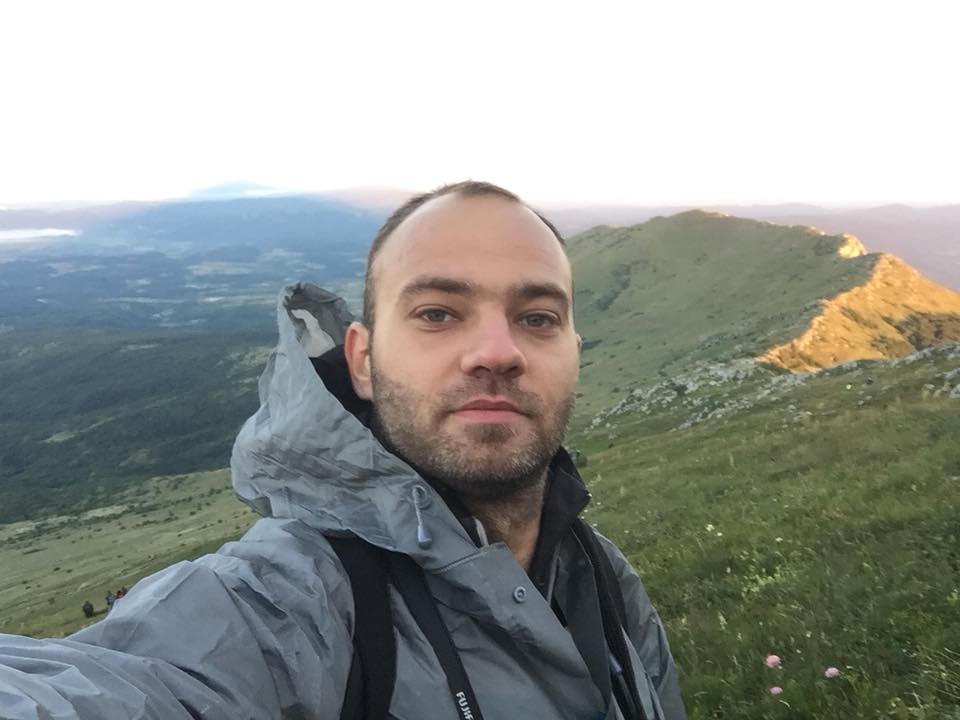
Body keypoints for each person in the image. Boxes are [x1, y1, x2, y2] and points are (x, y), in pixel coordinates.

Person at [0, 181, 686, 719]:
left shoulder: (602, 575)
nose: (496, 352)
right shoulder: (296, 601)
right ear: (362, 360)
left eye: (538, 318)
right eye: (437, 313)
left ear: (574, 352)